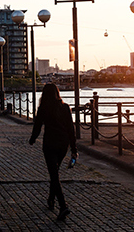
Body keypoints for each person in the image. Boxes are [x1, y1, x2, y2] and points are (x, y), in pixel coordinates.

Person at [29, 83, 78, 221]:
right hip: (63, 145)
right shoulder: (65, 107)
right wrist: (74, 149)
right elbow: (71, 129)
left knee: (54, 174)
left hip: (50, 144)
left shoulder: (43, 108)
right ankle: (51, 199)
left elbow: (37, 126)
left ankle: (63, 206)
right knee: (54, 172)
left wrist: (32, 139)